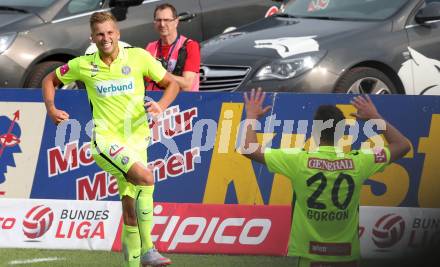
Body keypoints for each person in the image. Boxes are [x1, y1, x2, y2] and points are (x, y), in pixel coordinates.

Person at [42, 11, 179, 267]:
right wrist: (51, 108)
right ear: (92, 38)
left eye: (109, 33)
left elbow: (172, 83)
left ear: (118, 34)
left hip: (138, 141)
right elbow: (50, 79)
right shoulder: (84, 64)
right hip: (105, 141)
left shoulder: (138, 57)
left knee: (130, 209)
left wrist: (161, 105)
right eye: (99, 34)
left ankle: (133, 262)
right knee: (147, 178)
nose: (105, 38)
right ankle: (149, 249)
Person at [240, 89, 411, 266]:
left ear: (315, 131)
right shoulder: (359, 162)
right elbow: (403, 145)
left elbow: (248, 148)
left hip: (311, 257)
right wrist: (374, 117)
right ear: (343, 133)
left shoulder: (299, 161)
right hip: (346, 257)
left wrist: (252, 116)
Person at [145, 3, 200, 91]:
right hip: (156, 101)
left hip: (183, 102)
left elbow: (187, 85)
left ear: (176, 22)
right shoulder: (151, 47)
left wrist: (159, 73)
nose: (162, 24)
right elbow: (145, 79)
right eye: (158, 20)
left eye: (167, 20)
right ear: (154, 23)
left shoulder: (190, 46)